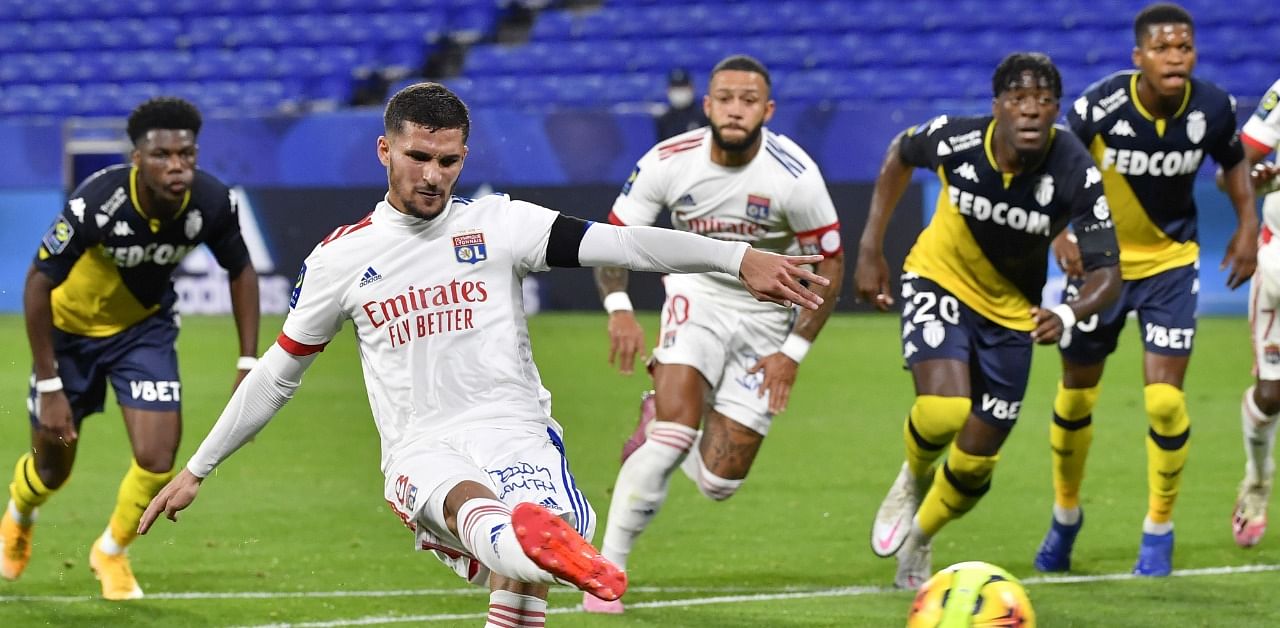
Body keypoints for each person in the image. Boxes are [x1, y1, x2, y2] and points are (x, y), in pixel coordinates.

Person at [136, 82, 829, 626]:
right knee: (502, 525)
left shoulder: (501, 225)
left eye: (448, 160)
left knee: (525, 570)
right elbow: (278, 376)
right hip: (420, 448)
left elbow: (629, 246)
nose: (433, 175)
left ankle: (539, 538)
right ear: (386, 151)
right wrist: (200, 466)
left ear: (463, 158)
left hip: (515, 429)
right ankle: (535, 535)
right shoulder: (340, 260)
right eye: (418, 157)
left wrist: (738, 259)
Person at [585, 54, 844, 614]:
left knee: (719, 482)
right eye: (724, 98)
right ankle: (606, 571)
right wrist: (620, 306)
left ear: (767, 110)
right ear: (707, 106)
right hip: (696, 296)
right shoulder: (667, 161)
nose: (734, 109)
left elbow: (832, 263)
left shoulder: (793, 175)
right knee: (672, 439)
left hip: (767, 315)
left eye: (748, 100)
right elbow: (614, 237)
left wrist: (792, 352)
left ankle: (668, 412)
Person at [858, 52, 1121, 589]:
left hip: (1011, 314)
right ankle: (912, 477)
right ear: (997, 105)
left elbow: (1109, 272)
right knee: (943, 409)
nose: (1031, 111)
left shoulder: (1075, 168)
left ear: (1056, 110)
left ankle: (921, 538)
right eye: (1018, 100)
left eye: (1044, 101)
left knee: (977, 464)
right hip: (940, 278)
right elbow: (899, 154)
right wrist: (870, 246)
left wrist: (1068, 312)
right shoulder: (955, 140)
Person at [0, 97, 261, 600]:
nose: (177, 166)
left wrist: (248, 360)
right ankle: (19, 514)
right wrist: (50, 382)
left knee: (158, 456)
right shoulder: (97, 201)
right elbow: (36, 282)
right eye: (163, 155)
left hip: (143, 331)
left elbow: (241, 270)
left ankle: (112, 551)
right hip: (69, 335)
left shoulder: (211, 202)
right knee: (54, 468)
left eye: (186, 154)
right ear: (137, 158)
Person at [1032, 3, 1257, 577]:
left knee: (1164, 400)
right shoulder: (1101, 104)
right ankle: (1064, 515)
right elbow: (1052, 160)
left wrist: (1247, 227)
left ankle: (1159, 527)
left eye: (1184, 48)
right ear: (1139, 57)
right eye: (1163, 48)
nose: (1175, 57)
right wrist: (1060, 227)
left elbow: (1233, 162)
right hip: (1100, 267)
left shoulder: (1213, 107)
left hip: (1170, 266)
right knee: (1077, 396)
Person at [1229, 77, 1280, 548]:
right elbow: (1239, 157)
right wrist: (1264, 180)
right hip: (1279, 262)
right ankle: (1258, 483)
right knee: (1271, 395)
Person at [655, 67, 709, 141]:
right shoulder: (664, 120)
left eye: (683, 87)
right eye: (676, 87)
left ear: (692, 88)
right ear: (668, 90)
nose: (679, 91)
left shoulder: (703, 115)